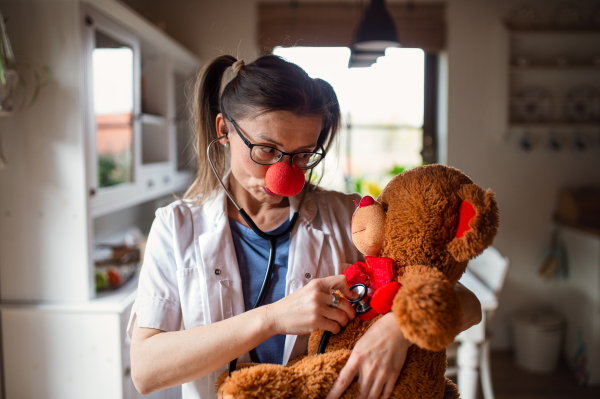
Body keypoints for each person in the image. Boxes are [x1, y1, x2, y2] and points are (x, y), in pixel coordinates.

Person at [128, 54, 482, 399]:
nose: (284, 176)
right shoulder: (176, 227)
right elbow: (146, 370)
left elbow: (468, 304)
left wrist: (399, 327)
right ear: (224, 130)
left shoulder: (351, 218)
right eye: (266, 150)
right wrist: (274, 318)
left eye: (302, 155)